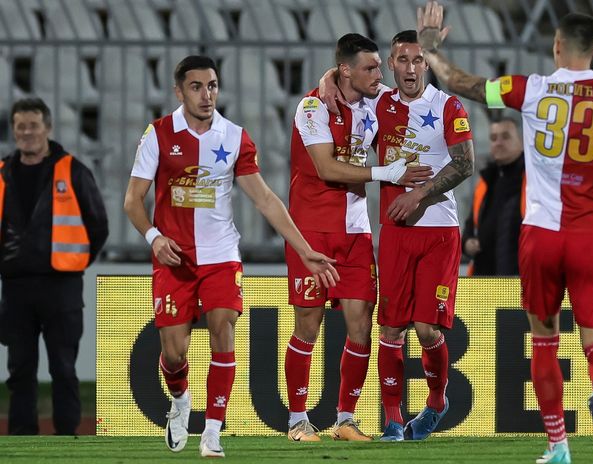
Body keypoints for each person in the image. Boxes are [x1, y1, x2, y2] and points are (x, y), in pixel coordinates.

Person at [417, 2, 593, 462]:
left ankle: (558, 446)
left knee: (544, 339)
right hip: (592, 237)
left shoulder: (529, 88)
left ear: (555, 47)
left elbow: (460, 84)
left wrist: (432, 51)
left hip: (541, 234)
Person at [123, 55, 339, 457]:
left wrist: (305, 250)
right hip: (174, 259)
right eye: (196, 86)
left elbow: (265, 200)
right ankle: (181, 400)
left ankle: (212, 432)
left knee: (223, 332)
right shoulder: (158, 134)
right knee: (174, 353)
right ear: (178, 90)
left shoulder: (235, 136)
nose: (207, 95)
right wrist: (154, 237)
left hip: (221, 255)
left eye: (213, 86)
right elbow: (132, 199)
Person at [287, 33, 431, 442]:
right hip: (311, 232)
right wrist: (386, 173)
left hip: (355, 232)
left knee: (360, 326)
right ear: (347, 70)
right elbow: (326, 167)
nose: (379, 74)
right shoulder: (313, 106)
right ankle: (297, 420)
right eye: (370, 68)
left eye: (378, 67)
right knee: (308, 326)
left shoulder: (377, 100)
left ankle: (345, 419)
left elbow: (414, 89)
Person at [358, 30, 474, 442]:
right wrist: (324, 80)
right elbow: (340, 81)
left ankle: (437, 401)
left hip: (439, 231)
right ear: (391, 65)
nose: (410, 68)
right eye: (402, 60)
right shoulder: (377, 103)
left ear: (426, 64)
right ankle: (391, 420)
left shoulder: (447, 106)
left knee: (427, 329)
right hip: (395, 234)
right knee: (390, 329)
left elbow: (465, 164)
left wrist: (419, 195)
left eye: (417, 60)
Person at [0, 97, 108, 436]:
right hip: (16, 287)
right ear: (13, 131)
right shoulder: (2, 173)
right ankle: (21, 437)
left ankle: (66, 437)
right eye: (20, 126)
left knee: (63, 368)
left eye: (33, 125)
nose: (27, 132)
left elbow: (98, 226)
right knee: (19, 370)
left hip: (62, 286)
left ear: (47, 128)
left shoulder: (73, 170)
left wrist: (75, 263)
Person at [462, 116, 525, 276]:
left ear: (522, 141)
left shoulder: (533, 180)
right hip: (485, 281)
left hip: (519, 278)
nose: (498, 143)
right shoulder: (486, 180)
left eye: (505, 137)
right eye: (493, 138)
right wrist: (467, 243)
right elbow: (471, 225)